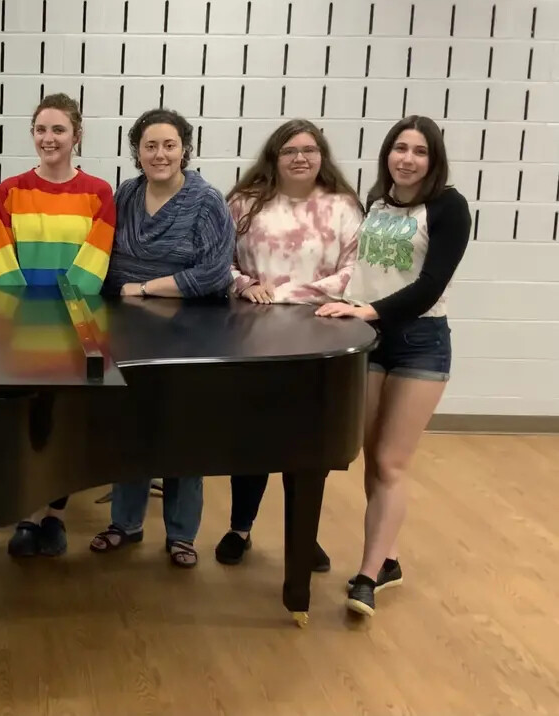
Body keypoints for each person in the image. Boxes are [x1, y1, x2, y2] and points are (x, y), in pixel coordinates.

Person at [316, 115, 470, 618]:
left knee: (391, 462)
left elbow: (430, 285)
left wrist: (368, 310)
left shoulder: (448, 207)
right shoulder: (378, 204)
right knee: (370, 453)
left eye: (419, 151)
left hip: (420, 343)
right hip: (368, 339)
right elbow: (362, 271)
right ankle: (388, 558)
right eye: (399, 148)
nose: (407, 158)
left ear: (434, 159)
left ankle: (366, 575)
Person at [211, 119, 364, 571]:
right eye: (290, 150)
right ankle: (240, 528)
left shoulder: (343, 207)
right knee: (253, 442)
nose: (300, 157)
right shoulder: (244, 203)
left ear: (322, 156)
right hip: (253, 338)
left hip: (319, 340)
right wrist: (242, 285)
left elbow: (355, 271)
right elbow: (220, 260)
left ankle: (303, 539)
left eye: (309, 149)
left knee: (307, 447)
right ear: (274, 158)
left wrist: (286, 294)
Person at [88, 108, 234, 569]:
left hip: (190, 332)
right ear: (137, 151)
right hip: (130, 329)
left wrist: (147, 286)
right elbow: (106, 257)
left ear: (184, 149)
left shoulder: (207, 201)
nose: (160, 154)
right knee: (129, 430)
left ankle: (181, 534)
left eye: (169, 144)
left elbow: (213, 272)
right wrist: (125, 291)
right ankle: (125, 524)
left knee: (184, 434)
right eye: (150, 146)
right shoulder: (126, 194)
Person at [0, 93, 116, 557]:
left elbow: (94, 260)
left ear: (76, 136)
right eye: (41, 129)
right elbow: (0, 257)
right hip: (23, 327)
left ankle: (54, 517)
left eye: (59, 129)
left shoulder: (98, 193)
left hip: (74, 327)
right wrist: (25, 310)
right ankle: (25, 515)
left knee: (62, 424)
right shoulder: (11, 190)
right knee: (26, 423)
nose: (49, 138)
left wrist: (64, 310)